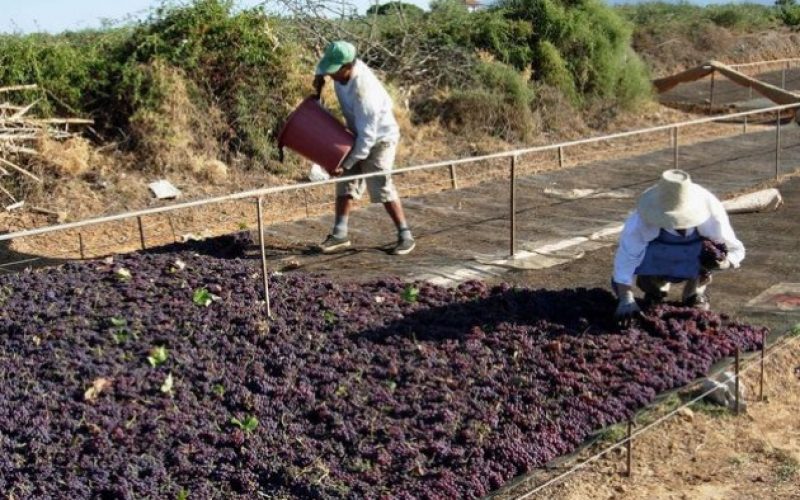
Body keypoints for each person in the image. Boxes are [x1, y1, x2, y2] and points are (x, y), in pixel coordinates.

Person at [312, 41, 415, 255]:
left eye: (334, 71)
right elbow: (323, 69)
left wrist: (348, 162)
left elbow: (367, 141)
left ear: (348, 66)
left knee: (380, 184)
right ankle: (340, 234)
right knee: (345, 183)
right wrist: (319, 78)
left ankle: (405, 235)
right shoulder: (342, 72)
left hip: (379, 139)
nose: (331, 75)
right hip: (357, 134)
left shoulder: (364, 93)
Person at [612, 169, 745, 326]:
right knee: (643, 254)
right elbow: (625, 259)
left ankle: (694, 291)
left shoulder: (710, 213)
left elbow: (735, 249)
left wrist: (725, 262)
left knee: (709, 249)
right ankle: (654, 289)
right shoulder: (641, 221)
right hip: (656, 257)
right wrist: (626, 297)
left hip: (693, 259)